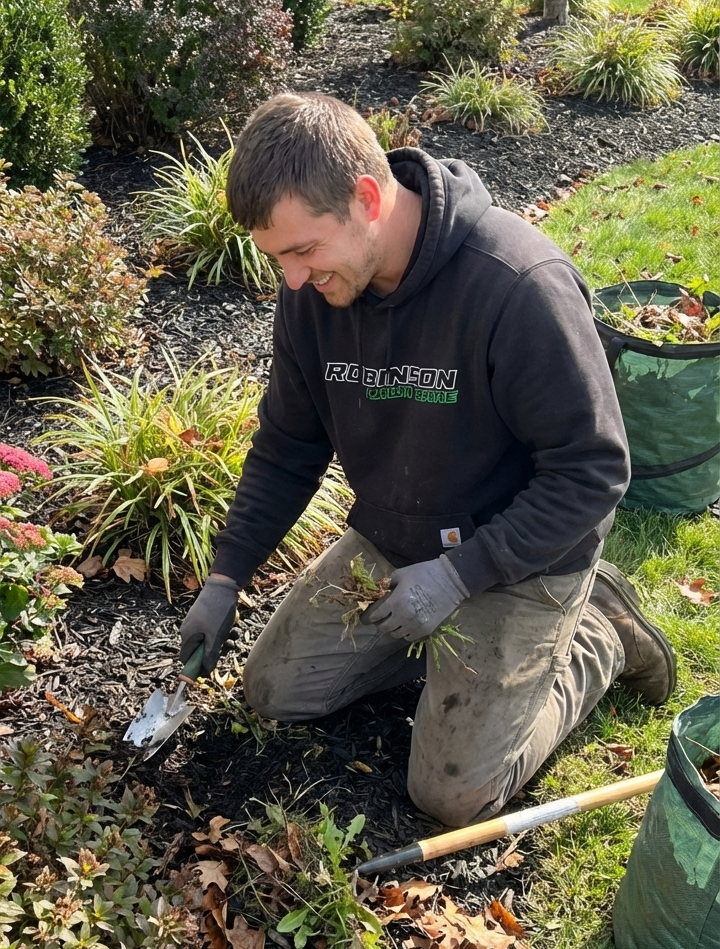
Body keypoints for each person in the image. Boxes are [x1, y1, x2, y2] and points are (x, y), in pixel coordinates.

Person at [180, 93, 676, 828]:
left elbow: (593, 470)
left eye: (303, 250)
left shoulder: (516, 284)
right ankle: (453, 651)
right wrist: (227, 577)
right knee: (276, 692)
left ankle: (597, 633)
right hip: (399, 539)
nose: (292, 278)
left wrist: (458, 576)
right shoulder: (314, 293)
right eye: (277, 257)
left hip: (520, 557)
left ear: (367, 198)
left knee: (453, 795)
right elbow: (288, 446)